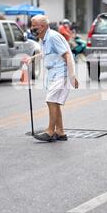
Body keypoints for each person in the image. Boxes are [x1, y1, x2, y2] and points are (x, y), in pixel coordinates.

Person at [21, 14, 79, 142]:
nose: (32, 29)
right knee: (55, 102)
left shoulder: (53, 37)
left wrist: (72, 76)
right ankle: (61, 132)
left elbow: (67, 56)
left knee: (51, 100)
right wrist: (32, 58)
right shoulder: (44, 39)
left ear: (43, 27)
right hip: (53, 73)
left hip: (61, 73)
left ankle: (50, 131)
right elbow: (46, 53)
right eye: (31, 26)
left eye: (34, 26)